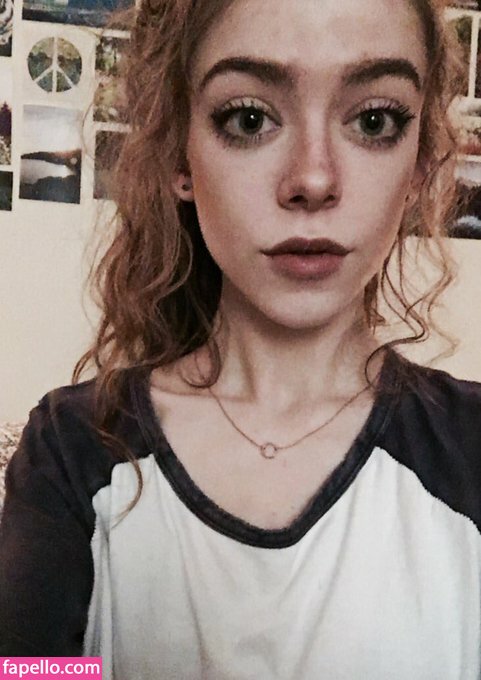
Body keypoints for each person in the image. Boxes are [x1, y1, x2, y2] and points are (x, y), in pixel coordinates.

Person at [0, 0, 479, 677]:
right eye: (249, 119)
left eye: (374, 121)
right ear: (180, 156)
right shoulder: (73, 451)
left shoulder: (470, 450)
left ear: (420, 167)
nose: (313, 179)